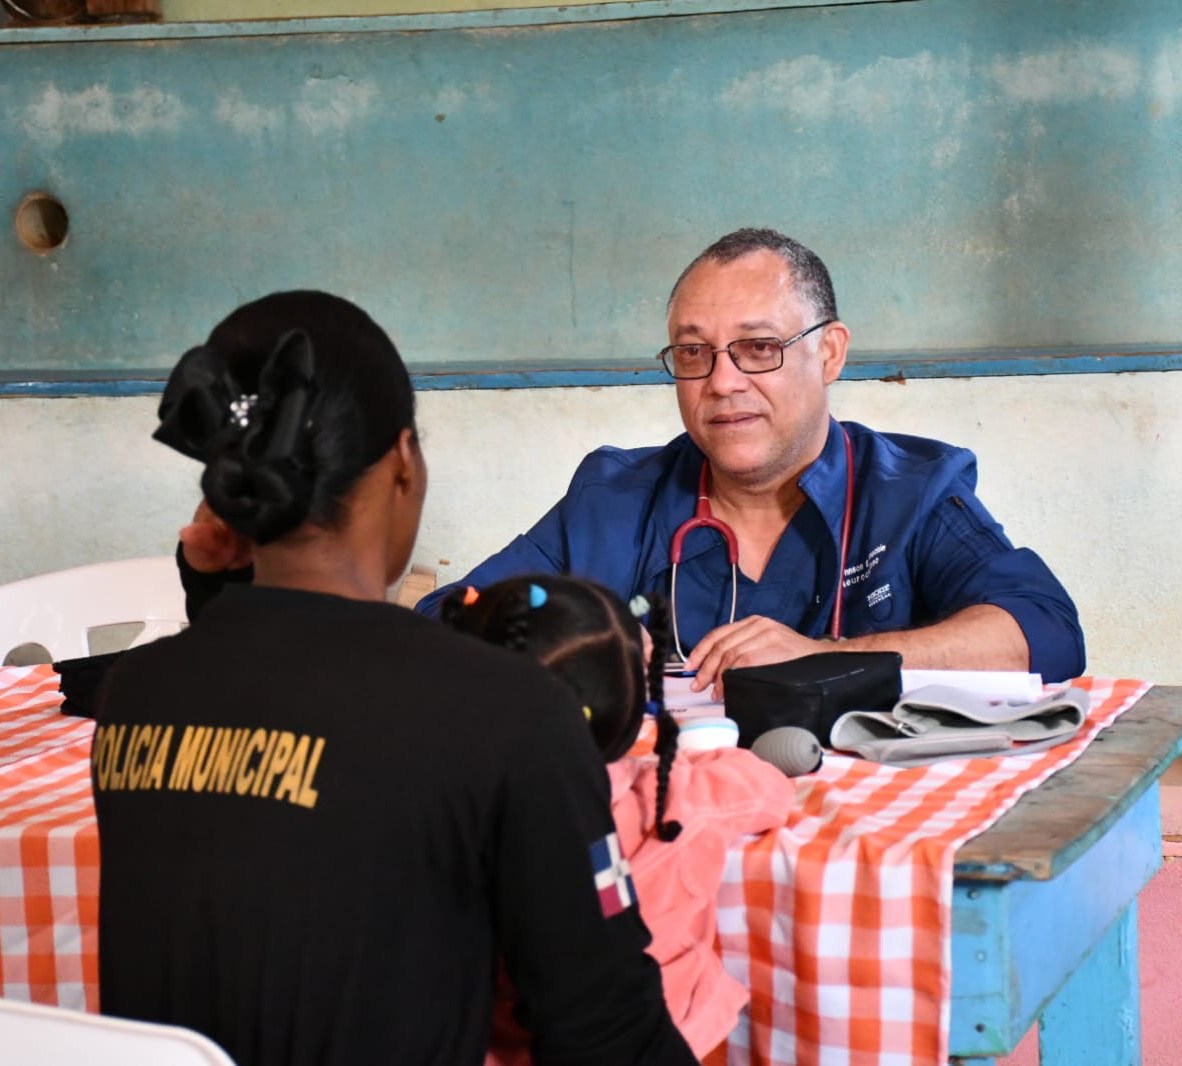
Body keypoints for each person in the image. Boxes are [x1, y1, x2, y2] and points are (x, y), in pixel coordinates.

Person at [90, 291, 697, 1066]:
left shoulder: (139, 694)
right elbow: (610, 1033)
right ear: (403, 462)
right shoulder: (504, 715)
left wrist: (213, 590)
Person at [415, 227, 1086, 697]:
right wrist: (560, 642)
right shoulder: (615, 500)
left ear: (829, 354)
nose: (723, 381)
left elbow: (1044, 634)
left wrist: (822, 661)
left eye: (759, 347)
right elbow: (448, 617)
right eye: (693, 353)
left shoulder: (907, 492)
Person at [441, 574, 794, 1060]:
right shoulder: (668, 799)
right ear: (633, 714)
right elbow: (769, 791)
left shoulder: (444, 813)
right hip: (674, 1034)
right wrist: (694, 757)